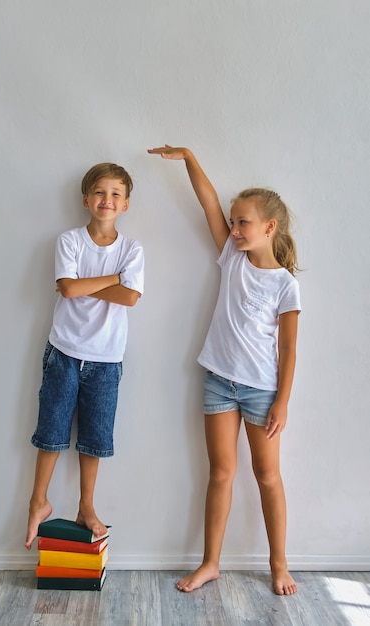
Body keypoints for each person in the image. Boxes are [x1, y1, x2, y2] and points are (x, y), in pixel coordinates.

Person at [148, 145, 300, 595]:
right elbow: (209, 203)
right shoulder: (231, 257)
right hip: (218, 381)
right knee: (220, 473)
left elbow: (289, 349)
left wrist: (282, 402)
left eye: (243, 222)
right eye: (232, 222)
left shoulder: (285, 284)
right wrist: (191, 158)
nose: (233, 229)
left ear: (269, 228)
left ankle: (279, 565)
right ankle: (210, 562)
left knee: (268, 475)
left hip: (260, 392)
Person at [25, 162, 144, 550]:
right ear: (85, 199)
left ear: (125, 204)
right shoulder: (70, 240)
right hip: (64, 352)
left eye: (115, 194)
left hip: (107, 359)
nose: (106, 200)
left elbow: (130, 297)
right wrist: (112, 277)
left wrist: (83, 284)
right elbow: (68, 290)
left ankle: (85, 506)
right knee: (52, 431)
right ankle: (38, 500)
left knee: (94, 440)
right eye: (99, 192)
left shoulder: (132, 249)